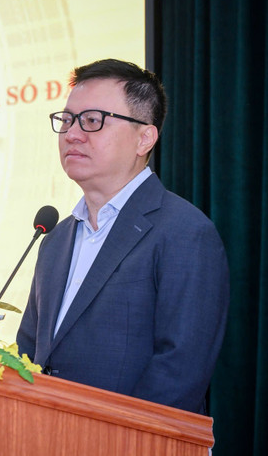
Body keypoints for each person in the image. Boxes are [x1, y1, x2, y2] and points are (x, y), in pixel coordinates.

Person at [16, 59, 229, 415]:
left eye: (92, 120)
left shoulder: (185, 232)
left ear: (144, 138)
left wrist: (112, 437)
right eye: (67, 119)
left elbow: (180, 371)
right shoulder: (54, 239)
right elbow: (29, 354)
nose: (72, 134)